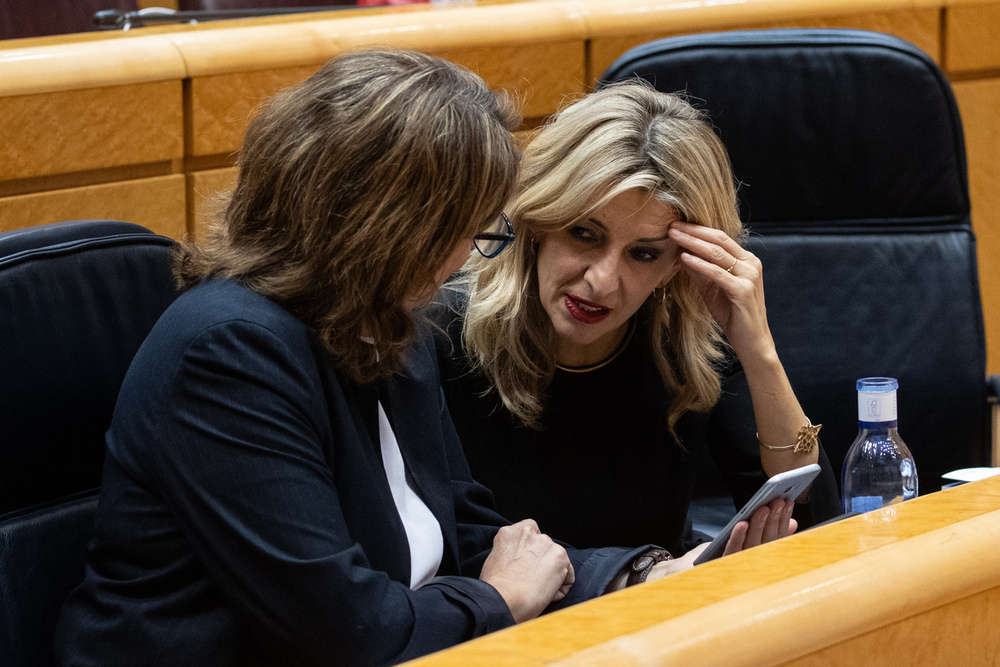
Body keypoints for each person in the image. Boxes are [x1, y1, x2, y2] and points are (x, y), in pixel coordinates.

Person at [53, 49, 673, 667]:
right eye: (463, 230)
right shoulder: (230, 355)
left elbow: (476, 539)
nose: (466, 257)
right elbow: (347, 633)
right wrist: (500, 598)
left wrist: (643, 576)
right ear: (385, 225)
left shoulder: (394, 325)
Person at [434, 80, 841, 558]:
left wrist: (760, 352)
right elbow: (447, 550)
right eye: (584, 234)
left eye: (643, 254)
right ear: (538, 222)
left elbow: (812, 514)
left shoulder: (689, 342)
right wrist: (642, 573)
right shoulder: (442, 335)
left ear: (678, 264)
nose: (603, 282)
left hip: (655, 620)